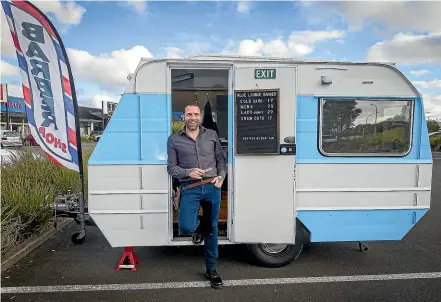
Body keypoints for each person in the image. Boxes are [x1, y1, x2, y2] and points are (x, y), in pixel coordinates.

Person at [167, 102, 227, 289]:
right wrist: (187, 173)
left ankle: (211, 269)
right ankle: (199, 226)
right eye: (189, 114)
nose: (192, 118)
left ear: (200, 116)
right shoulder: (174, 139)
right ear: (183, 117)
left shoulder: (211, 135)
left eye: (196, 114)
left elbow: (220, 159)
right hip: (190, 187)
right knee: (185, 227)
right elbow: (171, 168)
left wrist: (222, 177)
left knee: (213, 229)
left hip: (211, 186)